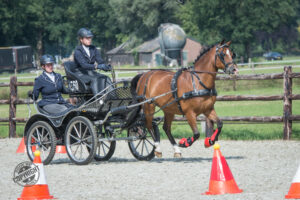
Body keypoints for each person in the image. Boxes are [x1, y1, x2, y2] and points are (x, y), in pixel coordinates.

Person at [74, 28, 112, 95]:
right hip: (81, 74)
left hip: (91, 73)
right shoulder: (78, 51)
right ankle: (98, 98)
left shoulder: (93, 48)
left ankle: (113, 96)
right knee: (95, 79)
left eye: (90, 38)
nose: (89, 40)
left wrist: (105, 66)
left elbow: (100, 60)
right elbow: (84, 65)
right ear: (81, 39)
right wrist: (97, 66)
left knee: (106, 78)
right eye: (87, 38)